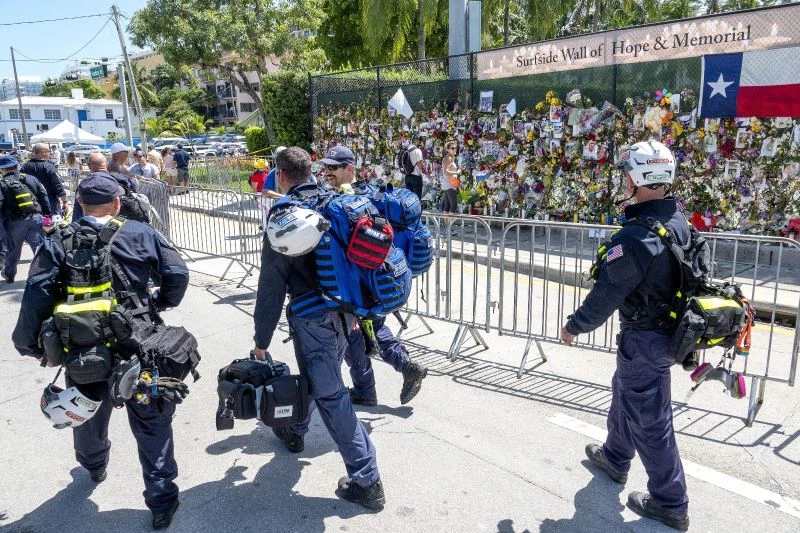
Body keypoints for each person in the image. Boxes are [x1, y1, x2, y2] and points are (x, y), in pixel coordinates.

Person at [12, 173, 189, 530]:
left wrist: (29, 345)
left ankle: (94, 466)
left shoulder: (58, 240)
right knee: (151, 420)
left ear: (80, 205)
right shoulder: (140, 232)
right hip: (139, 345)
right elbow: (177, 273)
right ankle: (161, 500)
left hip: (82, 348)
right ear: (118, 203)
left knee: (88, 414)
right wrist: (159, 303)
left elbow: (37, 293)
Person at [560, 140, 690, 531]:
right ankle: (615, 458)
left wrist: (574, 325)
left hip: (646, 339)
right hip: (664, 333)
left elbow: (606, 295)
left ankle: (671, 502)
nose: (623, 179)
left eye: (626, 173)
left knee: (651, 422)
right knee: (625, 392)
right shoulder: (677, 219)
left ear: (637, 177)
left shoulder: (635, 238)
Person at [253, 146, 385, 510]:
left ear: (280, 175)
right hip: (346, 313)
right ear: (312, 171)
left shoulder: (286, 216)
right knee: (318, 378)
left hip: (313, 318)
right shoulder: (333, 202)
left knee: (331, 395)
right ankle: (294, 431)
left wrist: (261, 341)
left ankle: (367, 481)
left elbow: (271, 286)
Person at [320, 145, 429, 406]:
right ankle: (407, 366)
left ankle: (365, 390)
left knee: (354, 336)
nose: (326, 172)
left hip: (360, 280)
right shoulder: (373, 191)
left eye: (333, 168)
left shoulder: (348, 199)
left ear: (349, 168)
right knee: (376, 327)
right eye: (325, 167)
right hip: (383, 276)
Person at [0, 155, 51, 283]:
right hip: (36, 218)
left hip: (14, 222)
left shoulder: (2, 183)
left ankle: (9, 275)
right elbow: (44, 196)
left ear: (2, 169)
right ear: (17, 166)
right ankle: (46, 273)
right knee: (39, 248)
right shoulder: (31, 179)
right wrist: (47, 215)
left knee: (13, 250)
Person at [72, 152, 139, 221]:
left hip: (88, 229)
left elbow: (77, 214)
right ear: (106, 164)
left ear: (89, 166)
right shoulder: (119, 182)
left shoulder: (84, 185)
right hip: (116, 227)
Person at [20, 143, 68, 216]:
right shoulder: (49, 167)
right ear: (44, 152)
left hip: (32, 203)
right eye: (49, 151)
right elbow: (57, 185)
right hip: (50, 203)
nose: (50, 153)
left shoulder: (25, 167)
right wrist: (64, 202)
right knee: (53, 224)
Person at [440, 141, 460, 215]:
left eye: (455, 148)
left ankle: (447, 225)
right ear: (447, 149)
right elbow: (445, 171)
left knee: (447, 205)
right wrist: (456, 172)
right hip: (449, 184)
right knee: (453, 205)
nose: (455, 149)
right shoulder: (448, 158)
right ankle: (449, 225)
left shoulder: (449, 158)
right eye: (452, 148)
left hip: (449, 183)